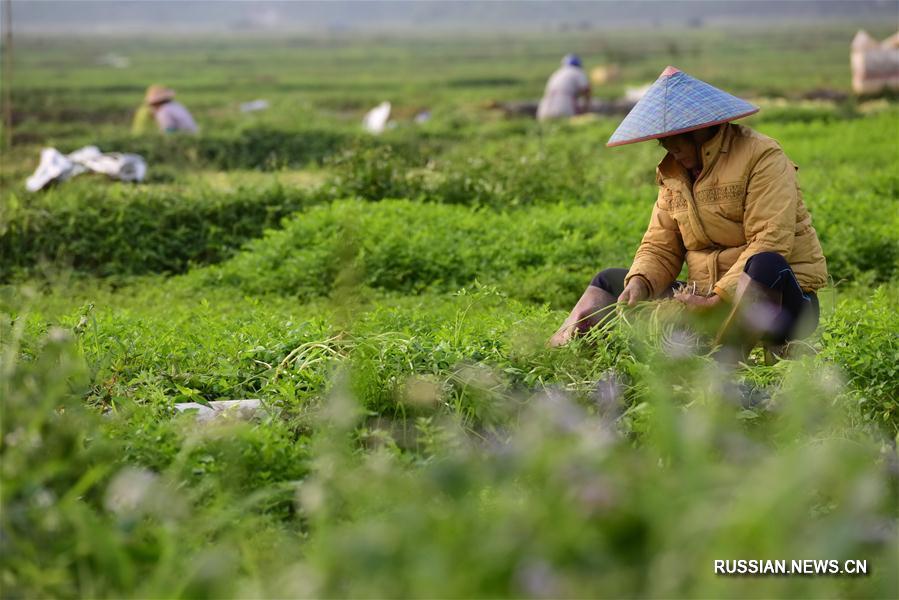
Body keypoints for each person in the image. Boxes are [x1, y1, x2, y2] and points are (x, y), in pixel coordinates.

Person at [549, 66, 828, 359]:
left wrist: (719, 299)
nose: (670, 148)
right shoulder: (673, 174)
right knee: (608, 282)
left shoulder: (762, 157)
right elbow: (660, 244)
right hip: (703, 297)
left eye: (677, 139)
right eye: (664, 141)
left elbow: (771, 238)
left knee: (765, 263)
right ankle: (558, 351)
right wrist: (640, 282)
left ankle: (727, 362)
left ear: (700, 131)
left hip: (781, 304)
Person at [537, 54, 591, 121]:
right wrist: (586, 107)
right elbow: (586, 90)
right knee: (568, 125)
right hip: (564, 104)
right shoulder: (578, 72)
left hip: (545, 107)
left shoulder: (557, 73)